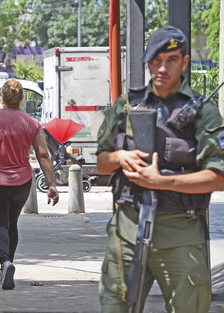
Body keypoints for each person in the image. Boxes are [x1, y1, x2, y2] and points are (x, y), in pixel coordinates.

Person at [96, 25, 224, 313]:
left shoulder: (204, 113)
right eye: (155, 61)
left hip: (180, 232)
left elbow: (218, 178)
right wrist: (120, 158)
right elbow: (101, 160)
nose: (162, 68)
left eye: (172, 60)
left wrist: (160, 182)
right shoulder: (127, 105)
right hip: (127, 228)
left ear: (185, 62)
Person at [0, 79, 59, 290]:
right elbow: (43, 154)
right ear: (21, 99)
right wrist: (51, 184)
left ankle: (5, 262)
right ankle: (7, 264)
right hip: (21, 183)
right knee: (12, 223)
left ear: (2, 97)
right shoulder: (32, 123)